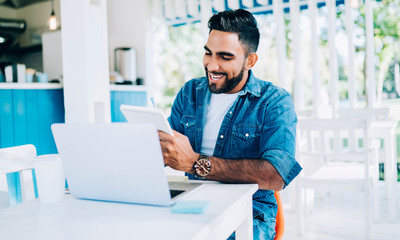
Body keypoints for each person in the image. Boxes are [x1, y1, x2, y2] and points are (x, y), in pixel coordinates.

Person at [158, 9, 302, 240]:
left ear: (250, 60)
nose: (212, 66)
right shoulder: (189, 93)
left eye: (225, 57)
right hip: (193, 202)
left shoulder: (274, 101)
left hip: (249, 212)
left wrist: (196, 163)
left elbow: (276, 175)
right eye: (208, 53)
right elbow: (167, 149)